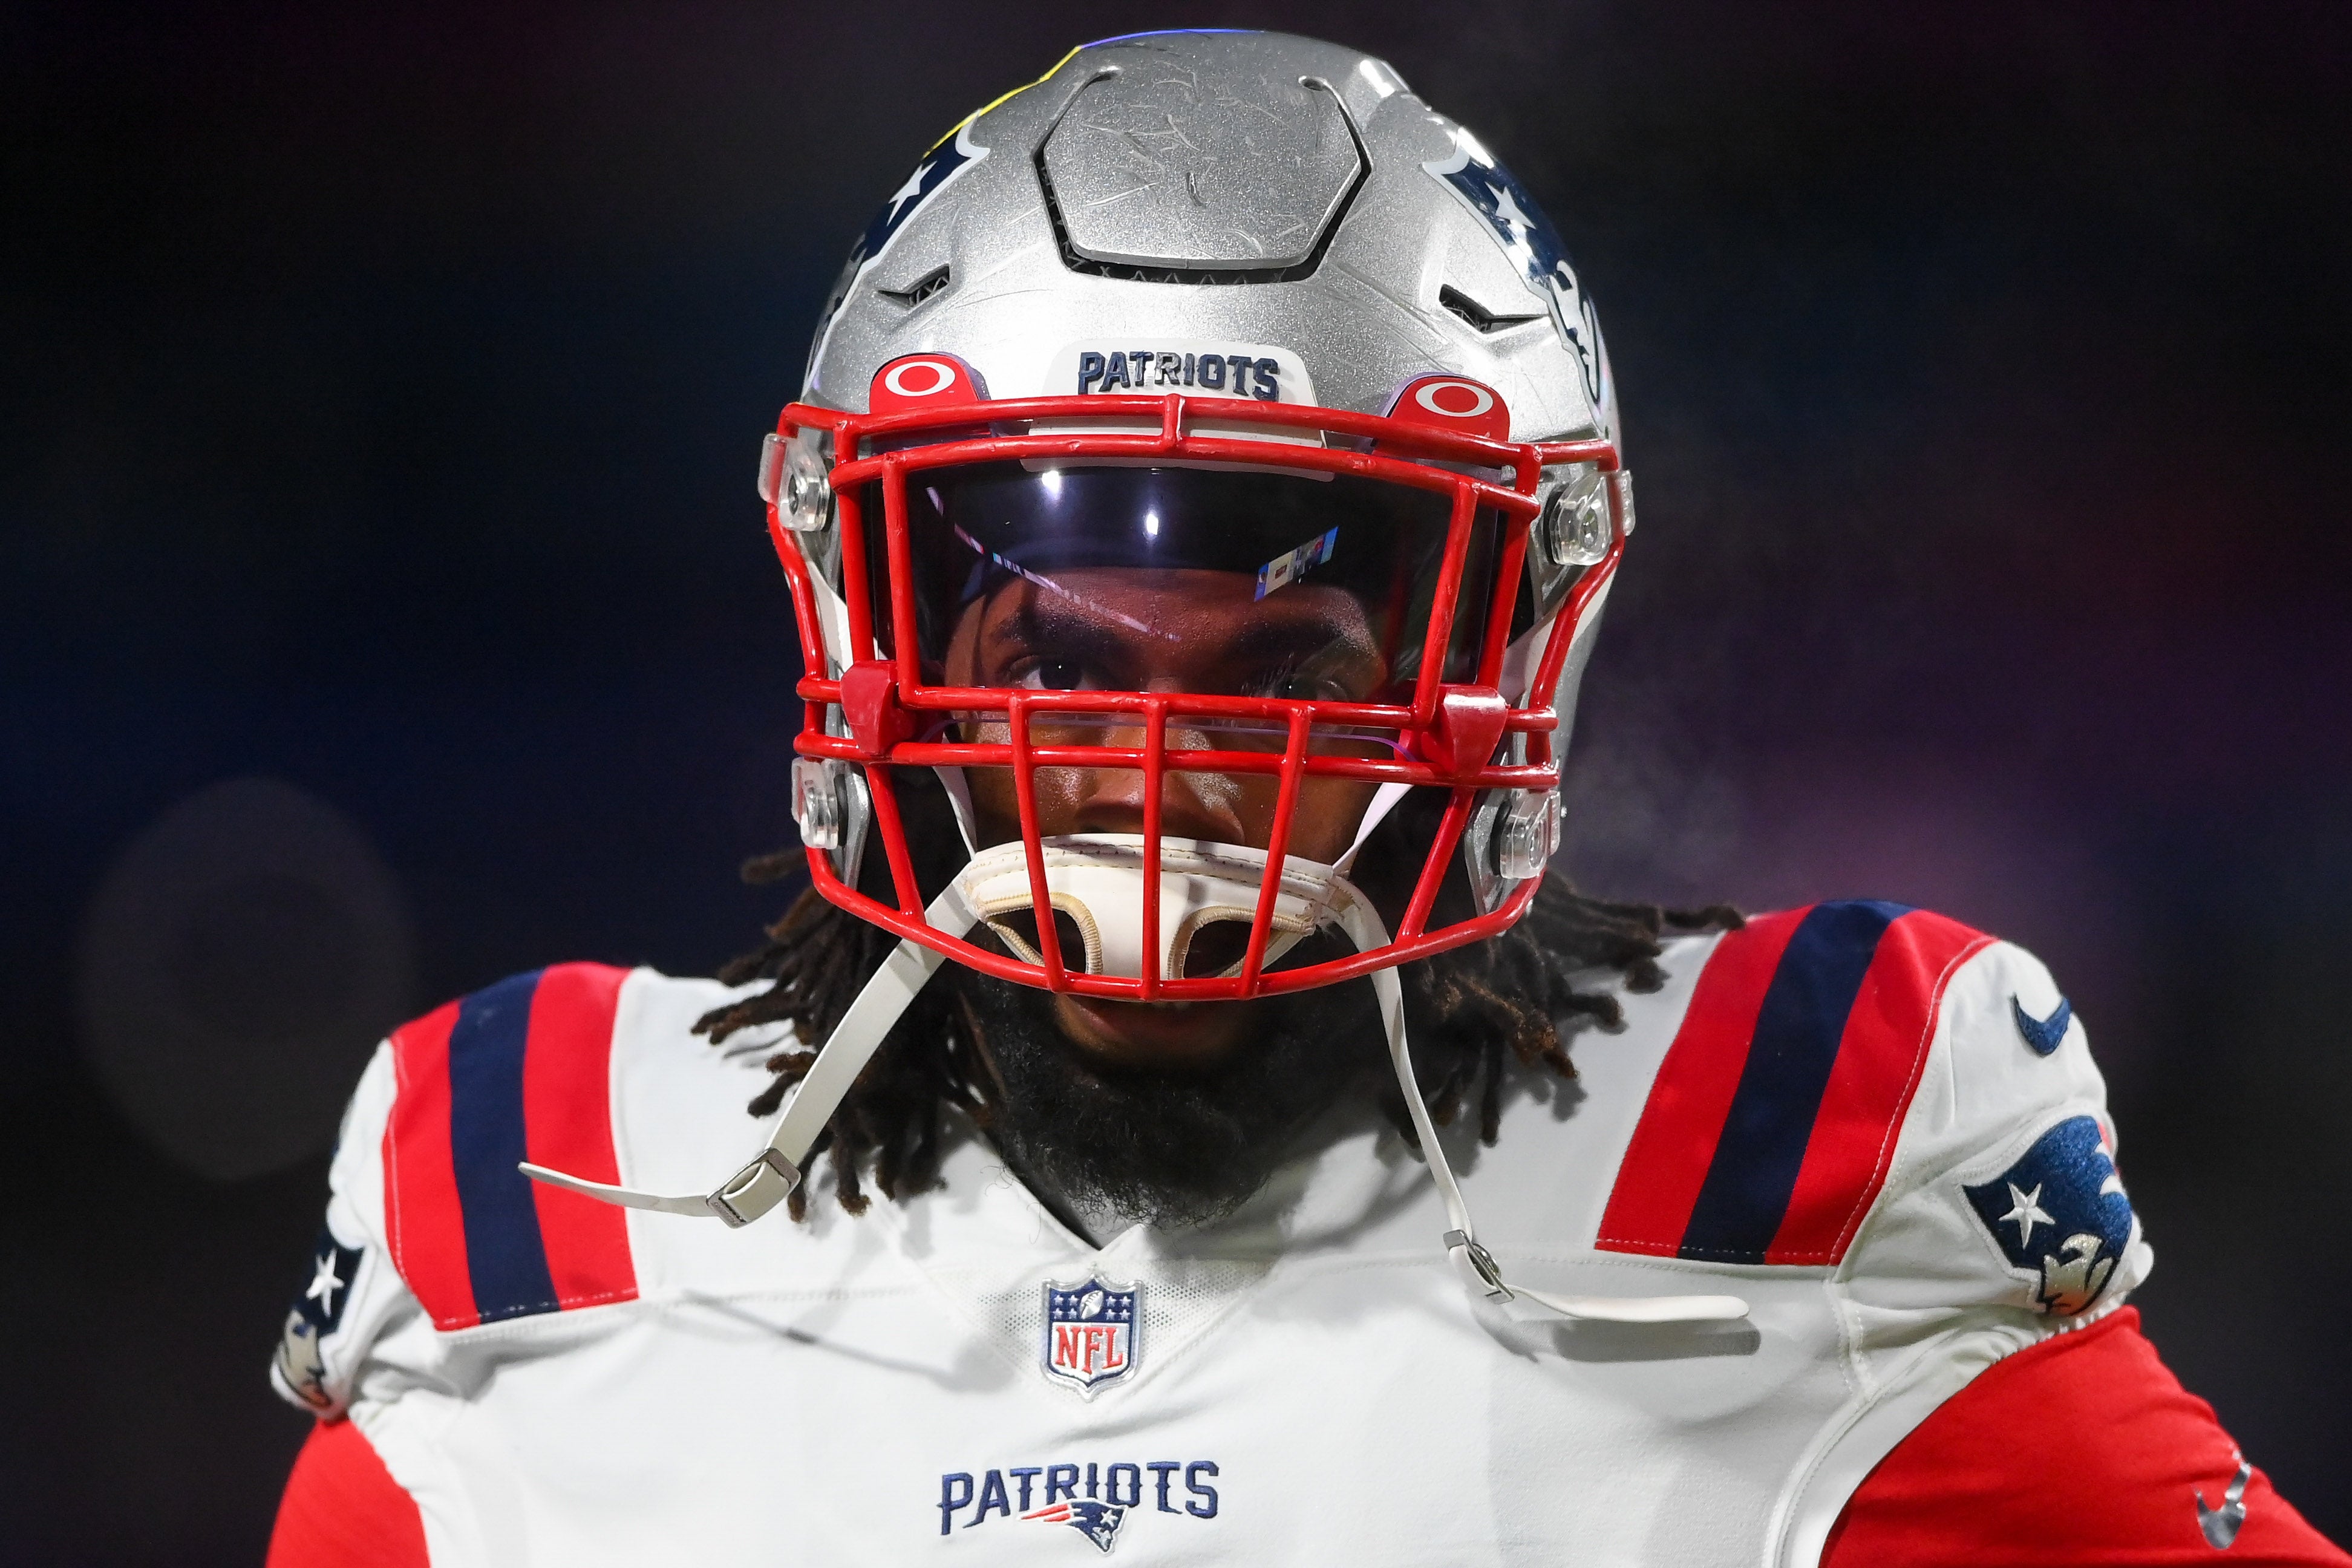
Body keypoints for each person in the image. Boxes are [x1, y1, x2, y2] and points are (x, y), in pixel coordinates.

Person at [263, 30, 2345, 1567]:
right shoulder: (544, 1222)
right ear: (865, 623)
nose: (1166, 773)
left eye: (1288, 674)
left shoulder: (1795, 1183)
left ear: (1503, 664)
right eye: (1067, 663)